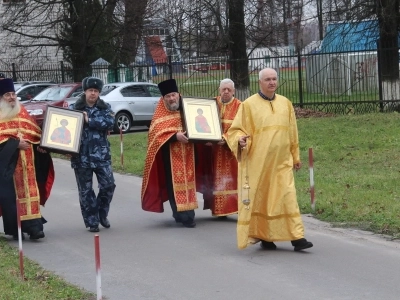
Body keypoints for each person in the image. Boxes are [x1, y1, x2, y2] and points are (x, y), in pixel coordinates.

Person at [226, 68, 313, 251]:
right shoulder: (248, 105)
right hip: (260, 163)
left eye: (274, 79)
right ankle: (265, 237)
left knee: (288, 196)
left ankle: (297, 237)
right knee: (263, 199)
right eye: (267, 79)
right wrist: (240, 140)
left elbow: (292, 132)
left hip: (282, 162)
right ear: (260, 82)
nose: (272, 82)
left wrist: (295, 156)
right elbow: (235, 130)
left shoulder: (285, 103)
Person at [0, 78, 54, 240]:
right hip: (9, 167)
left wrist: (41, 146)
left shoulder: (21, 110)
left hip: (29, 163)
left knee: (32, 193)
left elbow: (35, 133)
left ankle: (34, 227)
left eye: (13, 94)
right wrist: (15, 144)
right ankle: (17, 228)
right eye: (7, 95)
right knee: (12, 197)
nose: (11, 97)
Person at [141, 79, 198, 228]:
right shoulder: (160, 115)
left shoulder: (188, 109)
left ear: (178, 94)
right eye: (168, 96)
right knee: (173, 185)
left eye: (173, 95)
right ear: (163, 98)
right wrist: (175, 136)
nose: (172, 99)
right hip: (169, 156)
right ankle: (183, 215)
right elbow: (156, 135)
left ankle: (187, 213)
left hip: (189, 154)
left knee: (189, 183)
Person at [69, 77, 116, 232]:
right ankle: (92, 221)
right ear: (85, 91)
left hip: (101, 155)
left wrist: (89, 120)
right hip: (81, 156)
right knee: (86, 191)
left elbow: (110, 122)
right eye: (90, 90)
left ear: (99, 93)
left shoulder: (105, 107)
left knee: (108, 185)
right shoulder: (74, 108)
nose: (93, 94)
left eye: (96, 91)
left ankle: (102, 213)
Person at [197, 78, 241, 218]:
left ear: (233, 91)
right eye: (224, 89)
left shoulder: (240, 106)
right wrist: (205, 137)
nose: (226, 92)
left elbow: (242, 128)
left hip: (231, 152)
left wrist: (227, 138)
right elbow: (201, 123)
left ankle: (235, 208)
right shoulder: (211, 104)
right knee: (215, 179)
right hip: (213, 151)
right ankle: (219, 210)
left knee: (232, 180)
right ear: (219, 90)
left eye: (229, 89)